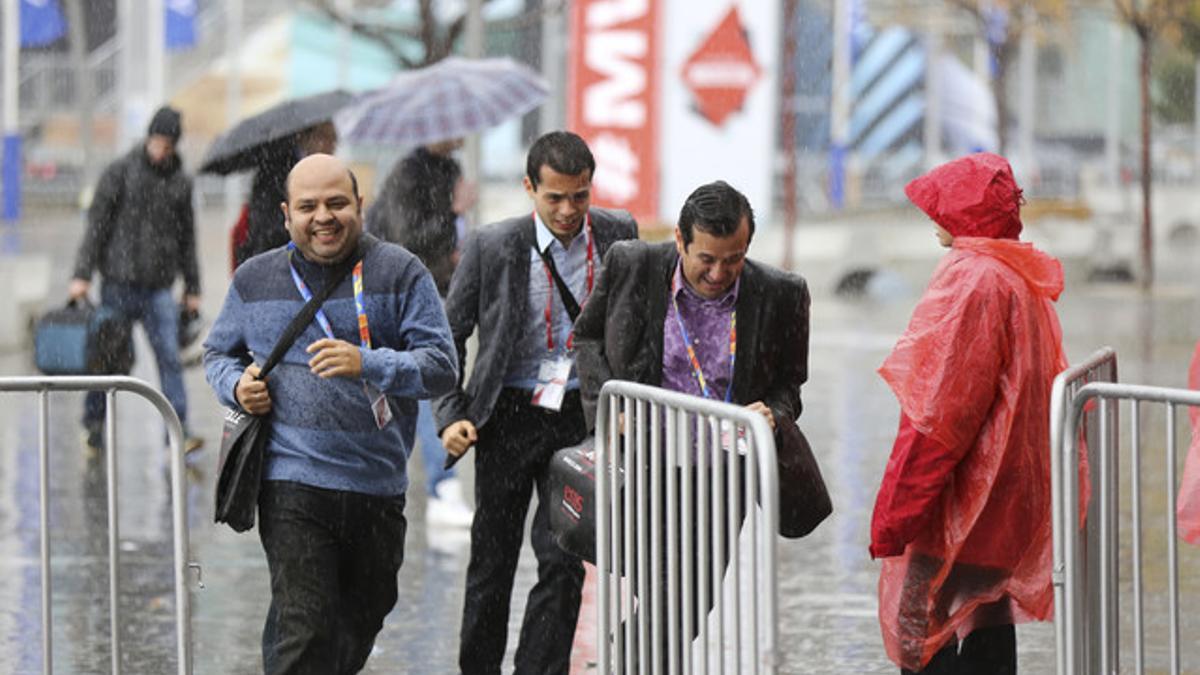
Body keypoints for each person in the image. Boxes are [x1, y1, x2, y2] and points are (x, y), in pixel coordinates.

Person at [203, 154, 458, 674]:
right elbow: (217, 354)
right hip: (292, 481)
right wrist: (237, 385)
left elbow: (441, 368)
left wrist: (368, 362)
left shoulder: (401, 271)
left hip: (376, 485)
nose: (324, 216)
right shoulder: (255, 279)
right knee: (306, 623)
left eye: (337, 203)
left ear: (359, 206)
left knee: (359, 621)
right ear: (286, 215)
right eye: (308, 206)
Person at [573, 179, 812, 667]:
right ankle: (633, 658)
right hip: (644, 464)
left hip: (722, 474)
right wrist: (606, 406)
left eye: (734, 259)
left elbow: (789, 385)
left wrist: (774, 412)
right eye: (706, 259)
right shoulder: (632, 265)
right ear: (680, 240)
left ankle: (627, 657)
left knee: (688, 602)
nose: (719, 273)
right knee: (665, 592)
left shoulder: (782, 294)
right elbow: (587, 338)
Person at [433, 130, 638, 674]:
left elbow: (640, 326)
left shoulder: (620, 234)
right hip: (505, 416)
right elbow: (447, 335)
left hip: (580, 417)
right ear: (530, 188)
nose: (569, 210)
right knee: (492, 562)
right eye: (555, 198)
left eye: (580, 196)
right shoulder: (492, 245)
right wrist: (452, 413)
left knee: (565, 560)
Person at [867, 152, 1068, 674]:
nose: (931, 217)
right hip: (1006, 502)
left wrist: (896, 513)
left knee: (920, 633)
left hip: (961, 502)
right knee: (988, 627)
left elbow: (938, 414)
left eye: (940, 206)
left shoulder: (972, 279)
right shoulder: (1015, 275)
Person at [69, 105, 203, 454]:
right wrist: (81, 275)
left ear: (175, 145)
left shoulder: (180, 183)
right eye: (157, 141)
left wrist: (193, 287)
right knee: (107, 359)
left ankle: (179, 431)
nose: (160, 149)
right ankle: (93, 427)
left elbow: (188, 237)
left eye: (167, 144)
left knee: (170, 359)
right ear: (148, 138)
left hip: (159, 289)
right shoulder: (119, 173)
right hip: (118, 284)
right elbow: (96, 227)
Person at [367, 138, 476, 528]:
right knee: (424, 386)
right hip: (407, 295)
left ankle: (431, 484)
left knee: (422, 386)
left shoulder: (450, 169)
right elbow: (406, 238)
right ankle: (439, 486)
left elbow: (448, 240)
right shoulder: (408, 173)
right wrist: (454, 210)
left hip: (438, 287)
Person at [233, 121, 338, 268]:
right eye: (327, 137)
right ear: (308, 138)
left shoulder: (311, 170)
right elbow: (268, 224)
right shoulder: (279, 169)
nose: (333, 145)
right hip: (273, 260)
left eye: (335, 139)